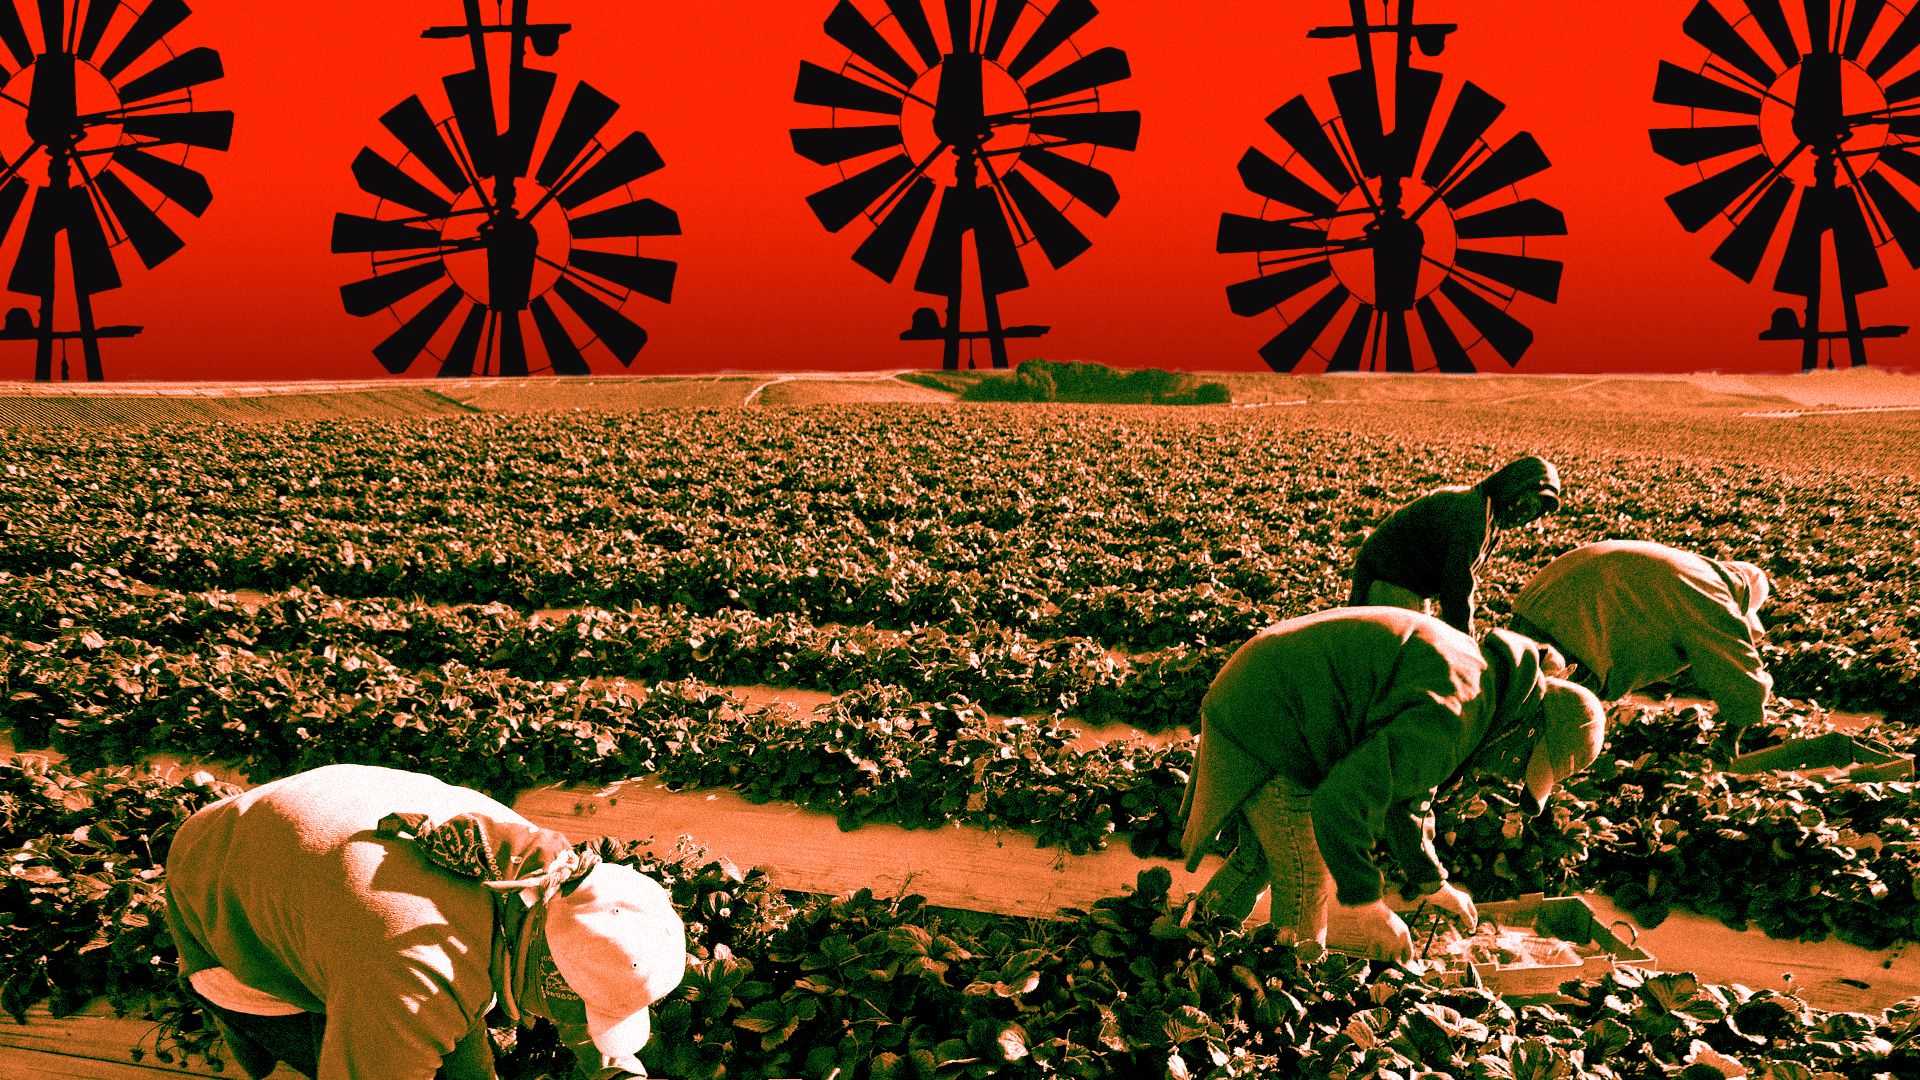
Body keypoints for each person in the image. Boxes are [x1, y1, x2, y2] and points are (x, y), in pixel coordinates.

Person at [164, 764, 687, 1080]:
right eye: (582, 1007)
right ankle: (248, 1019)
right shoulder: (414, 972)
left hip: (300, 825)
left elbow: (580, 963)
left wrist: (612, 1065)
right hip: (215, 886)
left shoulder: (546, 870)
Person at [1178, 607, 1605, 962]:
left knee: (1263, 857)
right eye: (1524, 765)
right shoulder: (1453, 714)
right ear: (1528, 733)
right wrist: (1369, 907)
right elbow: (1337, 804)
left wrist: (1433, 883)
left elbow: (1410, 790)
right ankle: (1290, 979)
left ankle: (1191, 943)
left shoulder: (1483, 686)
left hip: (1261, 689)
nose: (1511, 776)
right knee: (1307, 877)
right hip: (1274, 714)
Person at [1508, 538, 1773, 734]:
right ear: (1740, 603)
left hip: (1536, 608)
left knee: (1510, 703)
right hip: (1576, 635)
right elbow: (1741, 676)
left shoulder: (1689, 567)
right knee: (1546, 732)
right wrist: (1733, 734)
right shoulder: (1712, 593)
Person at [1348, 456, 1562, 634]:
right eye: (1526, 502)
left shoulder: (1488, 515)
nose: (1525, 513)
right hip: (1390, 578)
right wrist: (1466, 640)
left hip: (1408, 583)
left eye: (1535, 510)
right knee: (1396, 654)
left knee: (1418, 646)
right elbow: (1457, 585)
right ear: (1512, 487)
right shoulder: (1474, 514)